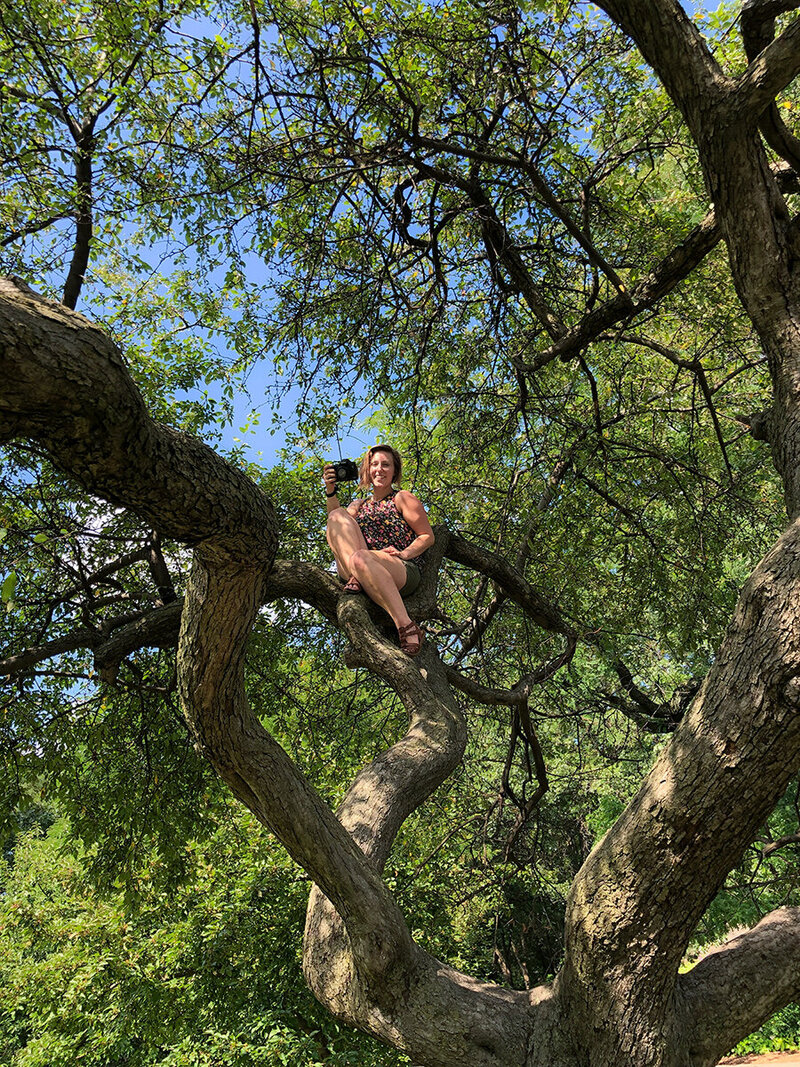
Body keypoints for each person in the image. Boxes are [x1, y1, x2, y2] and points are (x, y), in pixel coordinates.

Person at [324, 445, 434, 657]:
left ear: (394, 471)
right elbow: (336, 529)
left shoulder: (401, 498)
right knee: (337, 516)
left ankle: (406, 625)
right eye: (374, 464)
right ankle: (358, 573)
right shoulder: (358, 504)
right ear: (367, 470)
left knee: (361, 558)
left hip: (397, 568)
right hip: (358, 565)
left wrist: (404, 554)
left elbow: (427, 536)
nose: (379, 469)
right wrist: (331, 489)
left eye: (386, 465)